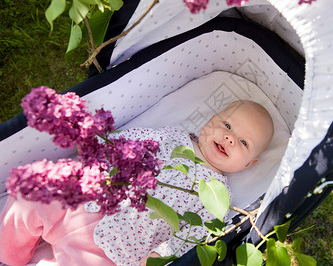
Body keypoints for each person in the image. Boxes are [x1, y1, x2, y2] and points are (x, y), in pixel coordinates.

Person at [0, 100, 274, 266]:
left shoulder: (218, 197)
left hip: (114, 250)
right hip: (85, 197)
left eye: (243, 142)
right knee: (36, 187)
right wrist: (99, 145)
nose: (229, 139)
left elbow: (196, 234)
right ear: (211, 121)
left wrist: (161, 255)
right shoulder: (170, 137)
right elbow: (129, 142)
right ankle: (8, 251)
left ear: (249, 164)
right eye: (227, 126)